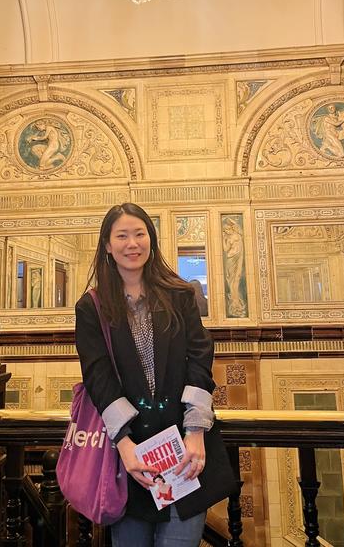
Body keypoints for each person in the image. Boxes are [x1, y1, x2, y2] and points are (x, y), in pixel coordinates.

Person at [75, 203, 235, 547]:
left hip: (183, 455)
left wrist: (195, 431)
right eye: (122, 236)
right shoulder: (92, 307)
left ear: (151, 239)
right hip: (130, 462)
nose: (132, 243)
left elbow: (200, 358)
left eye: (139, 234)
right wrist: (125, 443)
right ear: (107, 244)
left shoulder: (180, 295)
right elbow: (98, 376)